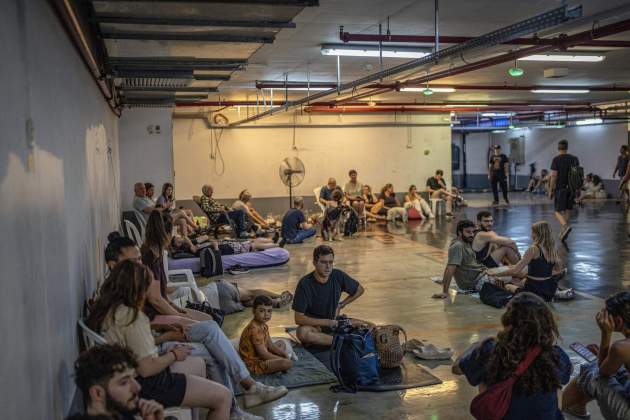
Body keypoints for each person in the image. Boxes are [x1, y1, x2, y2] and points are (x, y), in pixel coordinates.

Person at [102, 232, 287, 417]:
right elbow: (143, 360)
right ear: (113, 265)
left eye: (139, 260)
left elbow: (136, 337)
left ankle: (243, 397)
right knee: (213, 344)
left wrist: (166, 327)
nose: (140, 266)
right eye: (133, 262)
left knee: (211, 332)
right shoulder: (127, 311)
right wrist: (172, 345)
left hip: (152, 345)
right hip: (152, 366)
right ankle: (243, 396)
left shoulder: (119, 298)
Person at [87, 260, 232, 419]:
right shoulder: (133, 318)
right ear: (140, 289)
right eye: (149, 284)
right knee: (223, 396)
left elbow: (131, 345)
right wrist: (174, 355)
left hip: (124, 376)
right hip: (145, 385)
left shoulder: (107, 309)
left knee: (199, 364)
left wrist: (161, 331)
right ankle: (233, 403)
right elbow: (146, 369)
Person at [453, 292, 572, 420]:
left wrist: (475, 346)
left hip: (500, 412)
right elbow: (569, 371)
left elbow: (456, 368)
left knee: (485, 372)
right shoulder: (555, 355)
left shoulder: (491, 349)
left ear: (508, 320)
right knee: (555, 381)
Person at [562, 291, 630, 420]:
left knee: (591, 373)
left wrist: (606, 333)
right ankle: (576, 408)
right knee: (611, 367)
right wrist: (604, 354)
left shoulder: (621, 348)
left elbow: (602, 372)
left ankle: (552, 408)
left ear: (619, 321)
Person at [293, 245, 367, 347]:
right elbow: (298, 318)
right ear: (314, 263)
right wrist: (327, 322)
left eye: (330, 262)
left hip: (336, 322)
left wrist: (341, 305)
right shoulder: (305, 283)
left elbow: (359, 290)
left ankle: (339, 341)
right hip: (316, 327)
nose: (328, 266)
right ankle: (345, 343)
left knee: (370, 326)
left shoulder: (338, 275)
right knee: (302, 333)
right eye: (323, 262)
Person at [67, 344, 165, 420]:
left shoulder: (120, 415)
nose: (137, 387)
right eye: (124, 382)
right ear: (97, 393)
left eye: (133, 377)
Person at [487, 221, 564, 302]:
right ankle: (557, 293)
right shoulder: (553, 249)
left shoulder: (533, 249)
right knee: (520, 280)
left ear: (538, 234)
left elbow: (515, 271)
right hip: (549, 290)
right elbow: (557, 270)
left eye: (533, 232)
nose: (531, 235)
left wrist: (495, 274)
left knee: (508, 286)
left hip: (534, 291)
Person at [432, 220, 502, 299]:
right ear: (460, 232)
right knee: (510, 276)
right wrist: (445, 291)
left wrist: (444, 281)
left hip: (483, 273)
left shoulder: (465, 242)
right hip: (478, 281)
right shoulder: (457, 246)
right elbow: (450, 268)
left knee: (510, 272)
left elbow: (449, 264)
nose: (472, 235)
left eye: (473, 232)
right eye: (468, 232)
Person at [239, 295, 293, 375]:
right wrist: (283, 359)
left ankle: (276, 365)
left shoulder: (263, 325)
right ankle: (276, 366)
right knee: (287, 363)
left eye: (269, 311)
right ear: (253, 311)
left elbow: (271, 345)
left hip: (263, 355)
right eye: (262, 311)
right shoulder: (254, 329)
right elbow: (263, 354)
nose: (266, 314)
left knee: (281, 343)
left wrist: (284, 354)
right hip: (254, 364)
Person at [549, 139, 580, 242]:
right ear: (567, 147)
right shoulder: (574, 159)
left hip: (560, 188)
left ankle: (565, 226)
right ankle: (563, 231)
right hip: (571, 188)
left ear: (558, 148)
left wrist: (551, 190)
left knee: (557, 211)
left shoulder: (556, 160)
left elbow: (553, 176)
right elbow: (577, 174)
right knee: (568, 209)